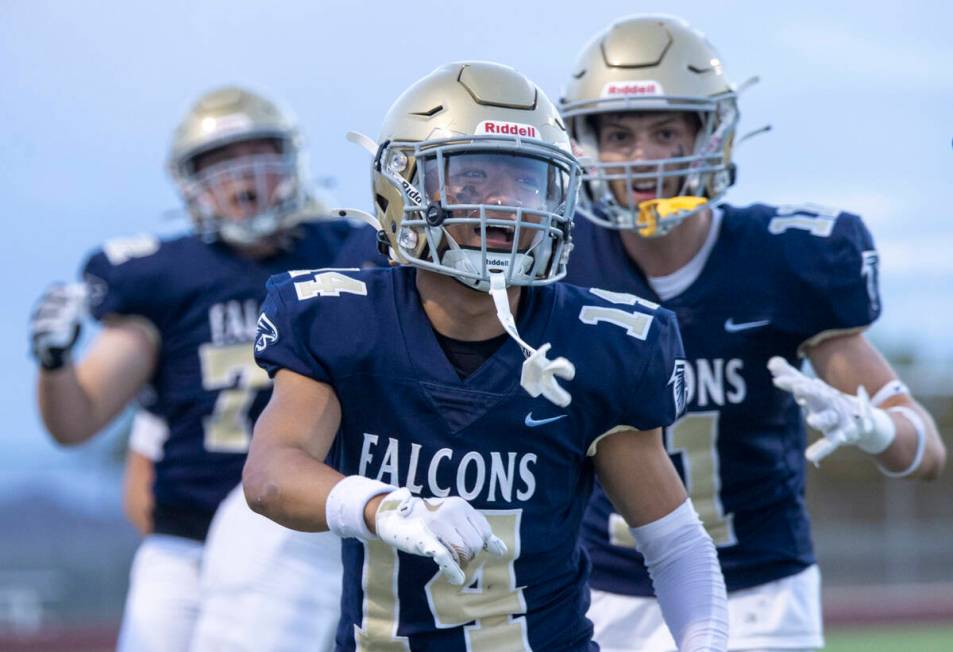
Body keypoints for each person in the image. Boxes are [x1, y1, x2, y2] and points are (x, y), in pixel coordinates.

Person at [243, 60, 728, 652]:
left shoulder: (602, 343)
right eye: (472, 177)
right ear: (404, 185)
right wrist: (386, 506)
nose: (504, 203)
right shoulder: (343, 320)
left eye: (526, 181)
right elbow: (270, 477)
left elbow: (675, 544)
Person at [558, 15, 947, 652]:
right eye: (621, 135)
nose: (645, 157)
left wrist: (876, 427)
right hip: (606, 590)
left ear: (711, 135)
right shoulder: (561, 268)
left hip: (760, 593)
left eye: (665, 132)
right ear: (585, 143)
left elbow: (928, 452)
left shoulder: (783, 261)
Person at [30, 86, 373, 652]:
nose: (241, 183)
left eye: (256, 162)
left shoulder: (343, 253)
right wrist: (53, 360)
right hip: (181, 544)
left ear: (289, 164)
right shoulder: (164, 276)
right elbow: (77, 420)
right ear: (190, 184)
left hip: (294, 530)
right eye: (219, 167)